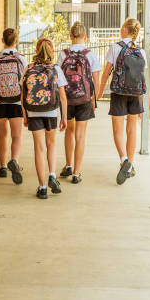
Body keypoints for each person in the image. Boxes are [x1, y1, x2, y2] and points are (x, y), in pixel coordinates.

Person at [97, 18, 147, 185]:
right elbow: (142, 76)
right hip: (136, 94)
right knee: (132, 129)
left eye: (122, 27)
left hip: (118, 92)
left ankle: (125, 160)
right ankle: (129, 166)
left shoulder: (116, 47)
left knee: (117, 129)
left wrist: (98, 92)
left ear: (125, 30)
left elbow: (105, 73)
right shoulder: (141, 51)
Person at [21, 38, 68, 199]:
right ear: (52, 51)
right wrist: (64, 118)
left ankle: (42, 188)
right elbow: (62, 96)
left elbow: (22, 95)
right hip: (51, 111)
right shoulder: (56, 69)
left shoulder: (29, 68)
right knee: (51, 144)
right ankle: (52, 175)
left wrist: (25, 115)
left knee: (39, 148)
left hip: (33, 111)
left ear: (36, 51)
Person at [57, 21, 101, 184]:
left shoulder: (63, 54)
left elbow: (59, 78)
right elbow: (95, 79)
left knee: (69, 131)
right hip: (84, 99)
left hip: (67, 100)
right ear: (85, 37)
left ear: (70, 36)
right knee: (80, 135)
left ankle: (68, 165)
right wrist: (94, 100)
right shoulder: (90, 55)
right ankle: (76, 173)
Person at [0, 28, 27, 184]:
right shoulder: (22, 59)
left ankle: (3, 167)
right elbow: (27, 84)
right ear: (16, 41)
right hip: (16, 102)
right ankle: (14, 161)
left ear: (2, 40)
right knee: (16, 135)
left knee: (2, 134)